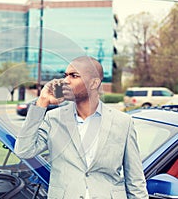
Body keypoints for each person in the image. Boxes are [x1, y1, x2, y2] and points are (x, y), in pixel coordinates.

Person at [14, 56, 148, 199]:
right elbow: (24, 150)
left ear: (94, 83)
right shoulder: (53, 119)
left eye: (74, 76)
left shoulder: (123, 122)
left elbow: (135, 180)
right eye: (65, 76)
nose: (65, 81)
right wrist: (42, 102)